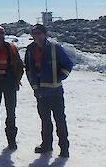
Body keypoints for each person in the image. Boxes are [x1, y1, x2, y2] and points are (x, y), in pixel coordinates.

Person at [24, 24, 73, 158]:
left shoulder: (54, 48)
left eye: (39, 33)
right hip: (40, 93)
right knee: (45, 120)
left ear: (45, 34)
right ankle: (46, 145)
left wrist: (59, 77)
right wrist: (34, 86)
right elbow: (28, 69)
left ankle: (64, 148)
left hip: (55, 92)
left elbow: (68, 64)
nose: (36, 36)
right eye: (34, 33)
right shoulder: (30, 50)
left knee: (60, 120)